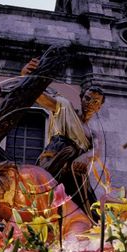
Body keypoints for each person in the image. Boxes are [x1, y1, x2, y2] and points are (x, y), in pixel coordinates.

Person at [21, 59, 105, 221]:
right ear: (81, 98)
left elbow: (97, 151)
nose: (90, 103)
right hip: (55, 161)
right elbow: (42, 99)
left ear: (99, 107)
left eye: (95, 102)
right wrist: (27, 78)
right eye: (87, 98)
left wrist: (85, 156)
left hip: (75, 173)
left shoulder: (93, 133)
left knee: (84, 214)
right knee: (43, 204)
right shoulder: (64, 108)